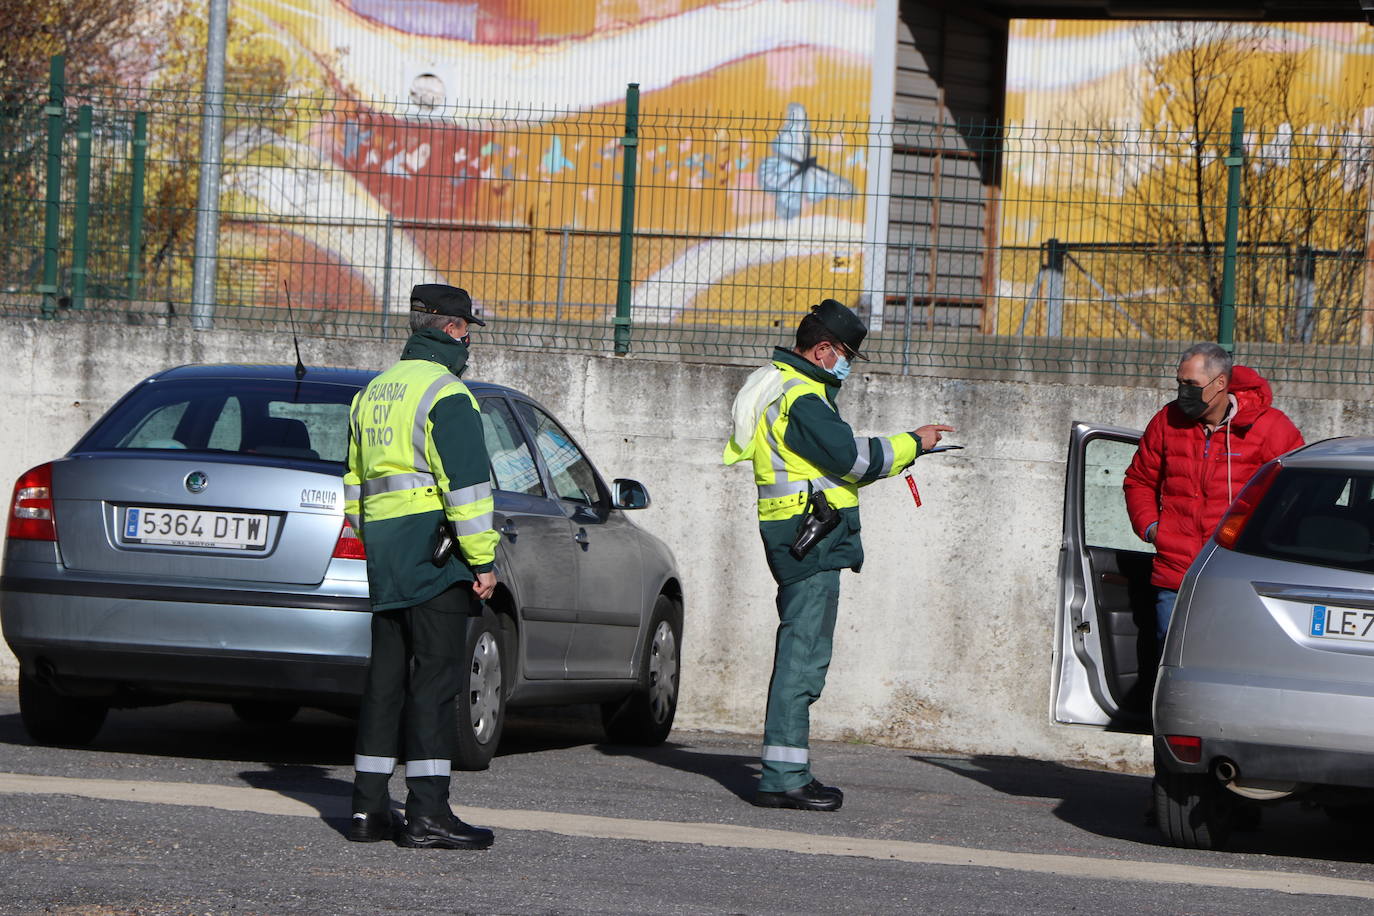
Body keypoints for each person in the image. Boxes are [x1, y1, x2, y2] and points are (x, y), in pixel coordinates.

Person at [723, 299, 954, 811]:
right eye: (846, 354)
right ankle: (784, 778)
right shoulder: (802, 396)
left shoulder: (783, 385)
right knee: (802, 657)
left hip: (801, 532)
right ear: (823, 349)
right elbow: (854, 459)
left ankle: (789, 771)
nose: (847, 365)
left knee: (802, 652)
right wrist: (915, 442)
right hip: (811, 538)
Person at [343, 283, 499, 849]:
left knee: (384, 681)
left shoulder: (373, 393)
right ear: (455, 331)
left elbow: (354, 485)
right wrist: (481, 561)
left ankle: (367, 810)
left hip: (386, 557)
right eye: (466, 334)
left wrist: (380, 543)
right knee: (434, 683)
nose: (468, 346)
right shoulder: (447, 394)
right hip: (436, 555)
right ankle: (428, 814)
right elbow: (470, 491)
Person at [1124, 342, 1304, 645]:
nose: (1183, 392)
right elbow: (1139, 479)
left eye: (1191, 384)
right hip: (1176, 575)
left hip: (1238, 574)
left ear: (1220, 383)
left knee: (1228, 660)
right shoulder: (1167, 422)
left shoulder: (1270, 427)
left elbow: (1298, 492)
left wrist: (1264, 539)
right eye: (1180, 383)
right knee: (1169, 661)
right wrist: (1153, 529)